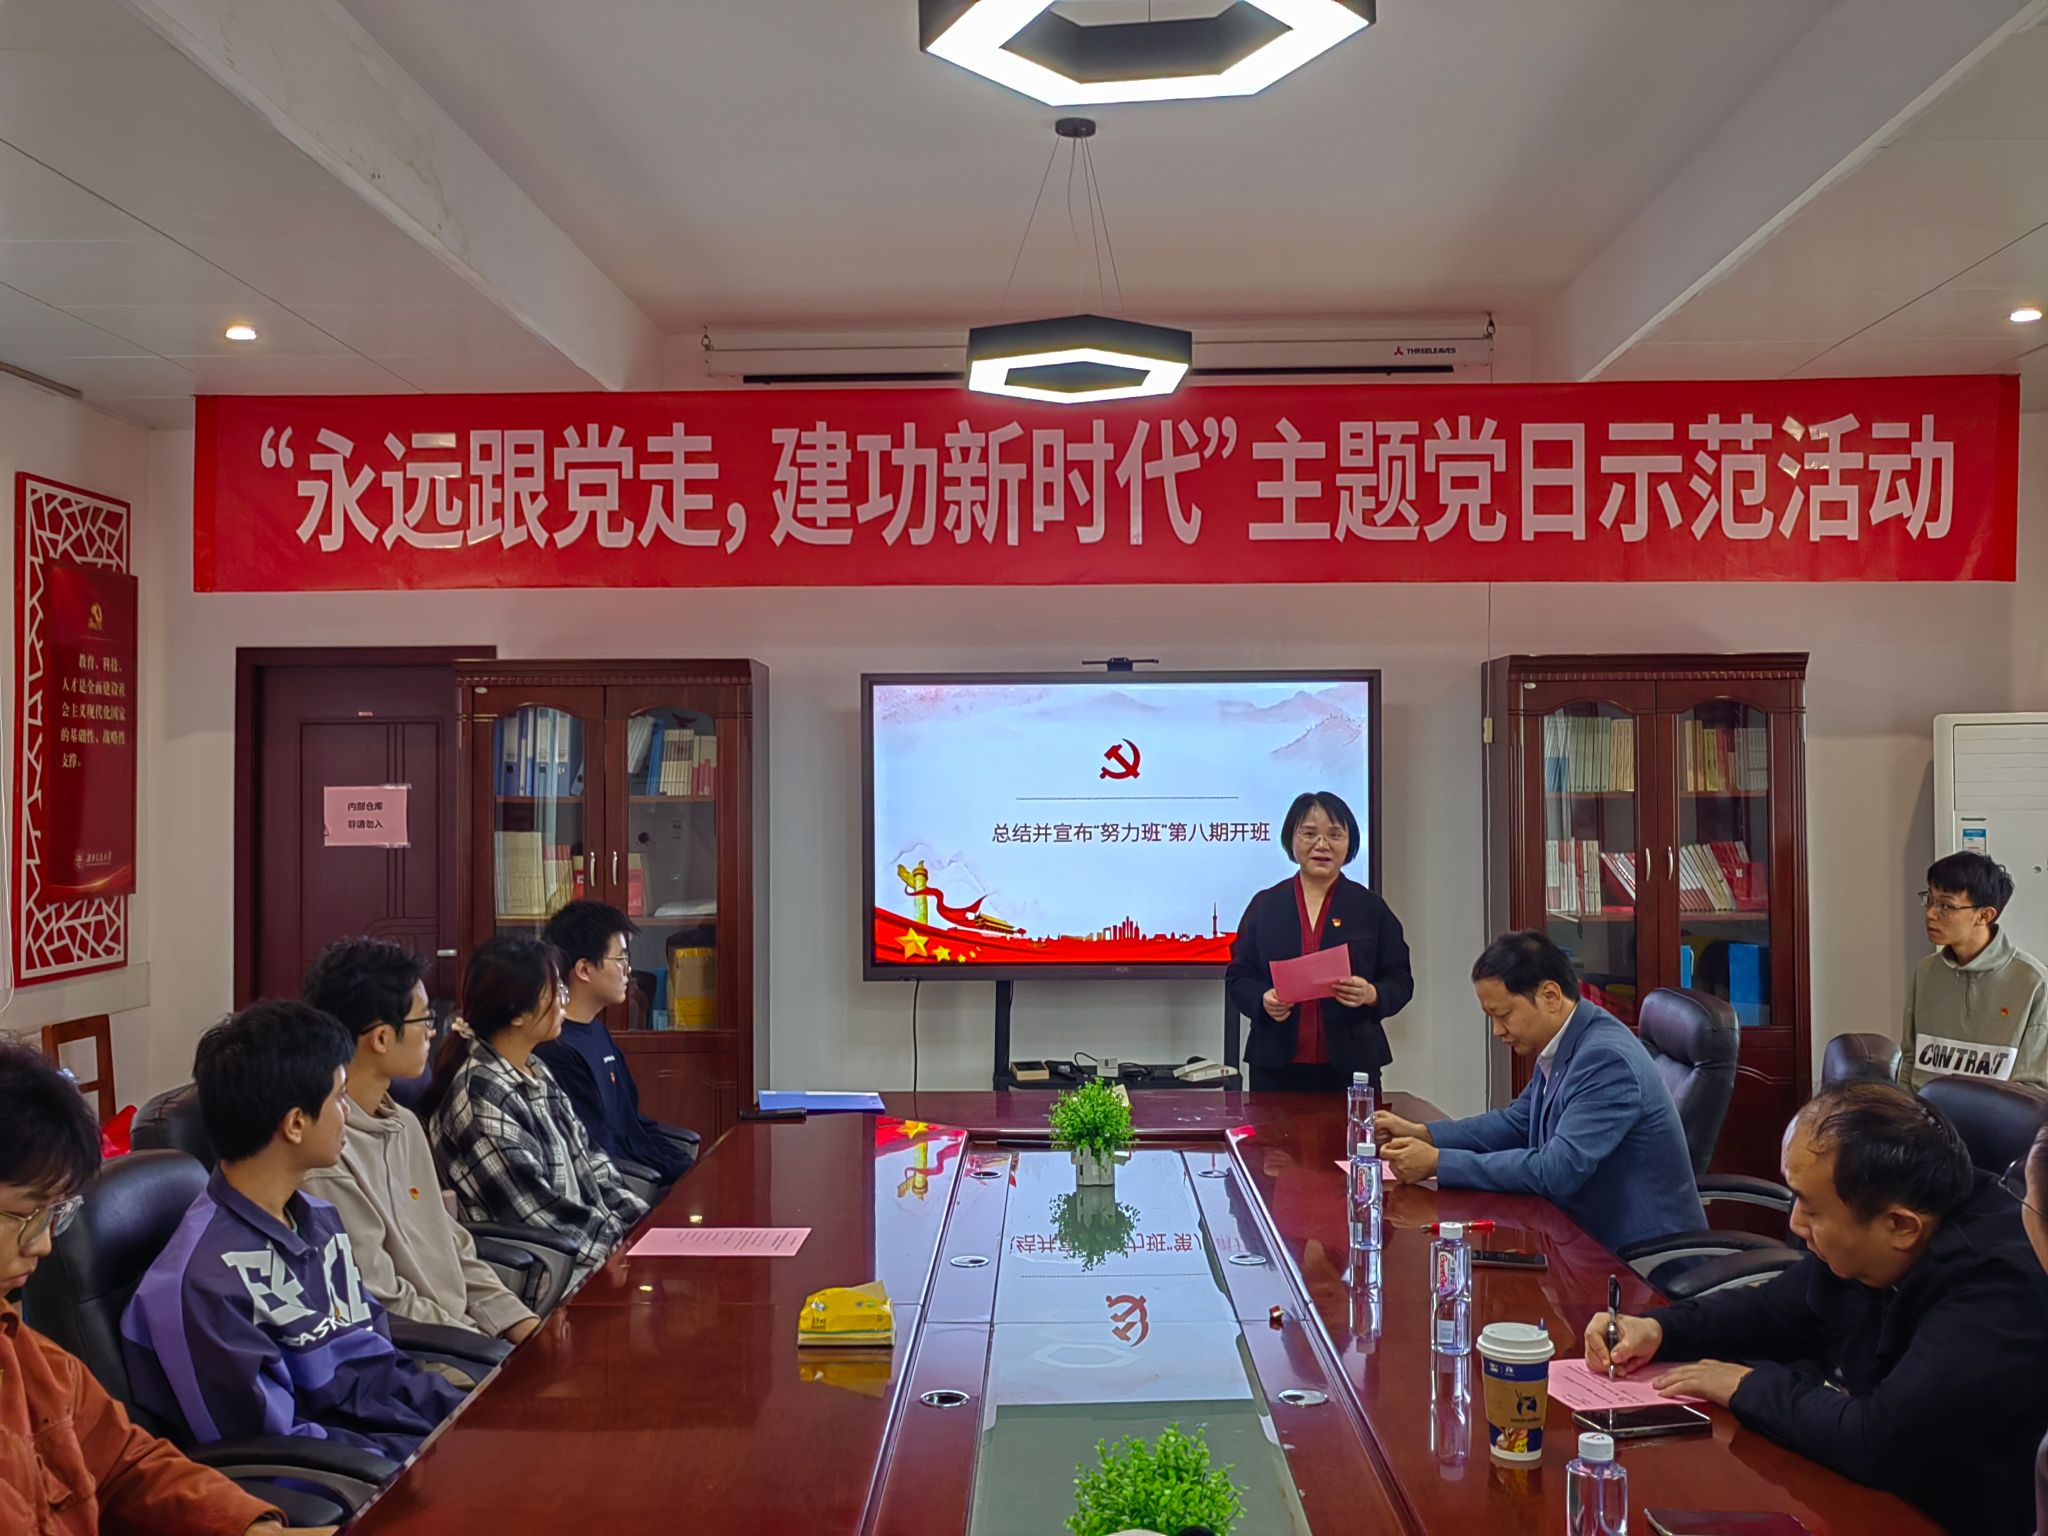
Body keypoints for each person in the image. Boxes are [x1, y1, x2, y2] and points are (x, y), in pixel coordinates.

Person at [1589, 1081, 2048, 1536]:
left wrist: (1747, 1385)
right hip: (1859, 1491)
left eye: (1812, 1209)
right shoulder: (1880, 1223)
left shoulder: (1997, 1288)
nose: (1794, 1223)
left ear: (1900, 1227)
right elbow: (1774, 1308)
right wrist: (1659, 1329)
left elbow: (1878, 1441)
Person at [0, 1039, 338, 1536]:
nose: (43, 1244)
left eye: (54, 1215)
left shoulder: (26, 1354)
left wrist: (252, 1530)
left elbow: (125, 1465)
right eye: (25, 1215)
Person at [121, 1003, 464, 1462]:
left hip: (407, 1436)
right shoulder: (202, 1285)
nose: (347, 1113)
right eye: (339, 1098)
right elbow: (269, 1456)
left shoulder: (318, 1219)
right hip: (354, 1478)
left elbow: (380, 1363)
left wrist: (470, 1413)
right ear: (296, 1124)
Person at [1375, 931, 1704, 1253]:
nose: (1497, 1031)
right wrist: (1424, 1134)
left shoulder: (1606, 1059)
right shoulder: (1566, 1040)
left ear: (1550, 996)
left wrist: (1439, 1163)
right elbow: (1517, 1123)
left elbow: (1558, 1170)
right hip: (1575, 1235)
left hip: (1636, 1256)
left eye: (1504, 1015)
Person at [302, 938, 539, 1345]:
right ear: (380, 1038)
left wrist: (523, 1326)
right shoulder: (326, 1153)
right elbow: (382, 1300)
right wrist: (482, 1347)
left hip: (469, 1342)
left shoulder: (406, 1125)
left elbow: (455, 1246)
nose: (433, 1031)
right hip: (427, 1356)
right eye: (425, 1019)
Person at [429, 937, 649, 1283]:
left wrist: (644, 1226)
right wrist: (619, 1245)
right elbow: (537, 1212)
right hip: (549, 1275)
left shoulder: (535, 1069)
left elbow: (590, 1161)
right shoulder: (481, 1096)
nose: (564, 1001)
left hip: (589, 1254)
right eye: (554, 992)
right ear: (517, 1013)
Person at [1224, 790, 1413, 1092]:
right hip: (1275, 1063)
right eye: (1309, 834)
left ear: (1350, 843)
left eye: (1334, 835)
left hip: (1353, 1065)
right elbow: (1238, 976)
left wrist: (1371, 993)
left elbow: (1400, 979)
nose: (1322, 845)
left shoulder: (1370, 907)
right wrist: (1263, 999)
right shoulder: (1266, 905)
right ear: (1292, 839)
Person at [538, 901, 698, 1183]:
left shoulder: (597, 1032)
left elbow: (634, 1126)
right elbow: (598, 1150)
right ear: (584, 969)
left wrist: (692, 1169)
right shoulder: (557, 1049)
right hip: (624, 1189)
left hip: (649, 1176)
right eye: (621, 959)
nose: (629, 970)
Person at [1902, 851, 2048, 1090]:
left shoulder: (2033, 981)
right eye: (1929, 900)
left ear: (1984, 915)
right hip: (1922, 1112)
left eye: (1945, 905)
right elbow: (1909, 1060)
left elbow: (2034, 1088)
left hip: (1997, 1114)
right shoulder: (1925, 971)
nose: (1930, 914)